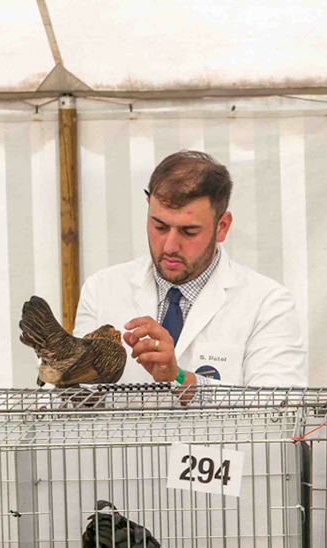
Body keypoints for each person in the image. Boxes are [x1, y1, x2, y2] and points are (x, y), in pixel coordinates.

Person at [74, 150, 307, 390]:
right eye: (160, 226)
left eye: (189, 231)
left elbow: (280, 414)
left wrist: (182, 380)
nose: (170, 246)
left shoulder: (268, 304)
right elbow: (70, 407)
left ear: (222, 226)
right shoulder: (101, 289)